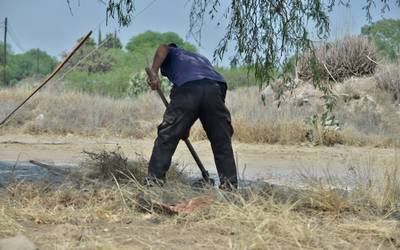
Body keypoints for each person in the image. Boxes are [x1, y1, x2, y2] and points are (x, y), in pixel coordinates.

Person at [146, 43, 237, 189]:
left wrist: (154, 71)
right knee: (221, 140)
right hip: (215, 87)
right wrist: (183, 128)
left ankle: (154, 183)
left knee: (167, 136)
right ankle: (230, 187)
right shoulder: (198, 59)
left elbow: (162, 47)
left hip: (189, 88)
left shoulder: (172, 51)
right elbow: (198, 106)